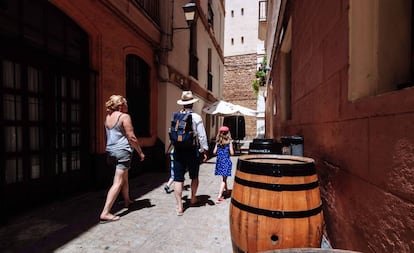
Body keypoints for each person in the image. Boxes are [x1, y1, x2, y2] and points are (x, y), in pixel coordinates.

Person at [99, 95, 145, 223]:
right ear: (120, 106)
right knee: (118, 182)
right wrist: (140, 152)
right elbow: (132, 137)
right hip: (122, 152)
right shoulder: (124, 117)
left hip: (111, 152)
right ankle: (106, 212)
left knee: (124, 176)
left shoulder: (108, 117)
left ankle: (127, 200)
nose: (127, 105)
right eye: (125, 103)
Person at [171, 91, 208, 216]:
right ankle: (193, 198)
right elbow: (202, 136)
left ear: (183, 104)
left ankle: (180, 207)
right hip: (192, 150)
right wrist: (204, 150)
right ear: (192, 104)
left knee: (178, 178)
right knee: (194, 176)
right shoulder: (196, 117)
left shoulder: (176, 116)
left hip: (178, 150)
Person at [213, 126, 234, 204]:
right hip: (226, 161)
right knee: (224, 179)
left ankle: (227, 190)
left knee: (224, 177)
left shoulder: (218, 142)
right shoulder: (229, 142)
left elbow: (214, 152)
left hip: (219, 161)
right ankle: (219, 196)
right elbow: (232, 153)